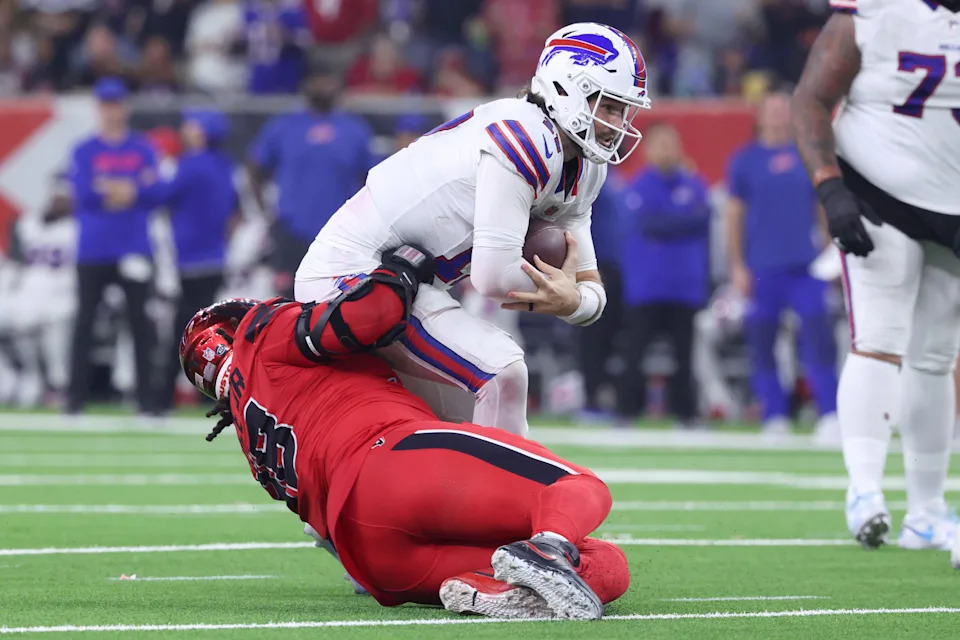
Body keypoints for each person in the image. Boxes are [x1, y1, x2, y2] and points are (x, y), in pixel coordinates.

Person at [178, 244, 630, 619]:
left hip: (376, 560)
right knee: (574, 486)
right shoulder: (263, 334)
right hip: (388, 462)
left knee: (605, 566)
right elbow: (361, 320)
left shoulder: (251, 434)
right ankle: (547, 548)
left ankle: (494, 591)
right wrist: (402, 267)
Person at [295, 23, 652, 437]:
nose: (616, 122)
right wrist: (568, 299)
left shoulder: (584, 168)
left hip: (404, 285)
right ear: (567, 87)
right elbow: (494, 276)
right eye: (606, 105)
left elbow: (590, 284)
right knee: (502, 374)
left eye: (622, 110)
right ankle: (511, 501)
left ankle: (462, 499)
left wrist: (576, 301)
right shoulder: (525, 135)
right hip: (351, 275)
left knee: (466, 425)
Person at [792, 0, 960, 551]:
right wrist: (828, 186)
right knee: (879, 341)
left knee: (935, 357)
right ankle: (864, 489)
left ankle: (928, 511)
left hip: (953, 206)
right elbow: (811, 97)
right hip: (877, 191)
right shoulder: (877, 9)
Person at [107, 109, 239, 413]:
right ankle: (193, 395)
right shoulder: (224, 165)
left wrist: (130, 188)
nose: (186, 129)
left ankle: (160, 401)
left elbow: (159, 194)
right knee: (206, 331)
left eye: (192, 125)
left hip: (191, 261)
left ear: (203, 132)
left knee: (184, 334)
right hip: (215, 259)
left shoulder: (192, 165)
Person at [726, 92, 839, 440]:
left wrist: (828, 243)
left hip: (806, 266)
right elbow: (734, 215)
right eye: (771, 110)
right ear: (759, 116)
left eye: (783, 110)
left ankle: (829, 414)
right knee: (762, 341)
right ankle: (774, 414)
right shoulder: (744, 160)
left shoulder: (806, 154)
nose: (777, 116)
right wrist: (737, 265)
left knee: (819, 338)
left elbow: (822, 204)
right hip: (762, 268)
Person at [66, 77, 159, 416]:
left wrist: (111, 187)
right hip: (94, 249)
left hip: (134, 246)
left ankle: (148, 403)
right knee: (84, 324)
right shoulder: (84, 149)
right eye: (105, 104)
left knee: (141, 326)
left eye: (116, 104)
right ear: (97, 108)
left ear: (125, 107)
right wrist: (129, 189)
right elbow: (84, 194)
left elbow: (153, 193)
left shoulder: (142, 147)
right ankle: (74, 400)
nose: (111, 111)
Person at [615, 123, 710, 428]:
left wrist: (671, 222)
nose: (666, 150)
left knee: (685, 353)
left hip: (684, 285)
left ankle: (687, 414)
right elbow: (648, 223)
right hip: (646, 285)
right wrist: (681, 221)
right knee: (635, 351)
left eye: (671, 144)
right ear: (648, 150)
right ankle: (626, 412)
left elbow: (702, 217)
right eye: (660, 144)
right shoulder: (639, 184)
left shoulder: (695, 183)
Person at [247, 67, 373, 298]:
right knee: (287, 302)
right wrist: (265, 212)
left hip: (339, 234)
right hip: (291, 229)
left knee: (337, 303)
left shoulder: (355, 130)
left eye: (328, 80)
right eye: (317, 80)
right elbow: (255, 169)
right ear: (306, 86)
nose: (322, 86)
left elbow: (370, 179)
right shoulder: (283, 126)